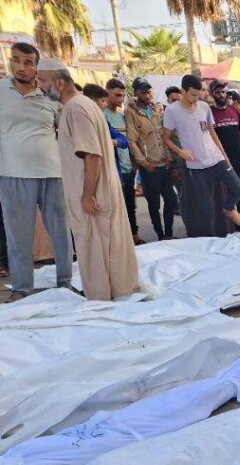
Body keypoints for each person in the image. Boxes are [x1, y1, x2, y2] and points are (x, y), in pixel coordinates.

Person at [43, 66, 139, 300]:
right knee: (109, 244)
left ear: (59, 83)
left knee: (93, 246)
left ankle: (100, 297)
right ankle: (119, 291)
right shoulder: (85, 104)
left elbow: (92, 155)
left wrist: (87, 195)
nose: (40, 86)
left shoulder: (75, 108)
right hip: (102, 188)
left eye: (42, 81)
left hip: (92, 193)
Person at [0, 42, 72, 298]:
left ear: (37, 66)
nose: (21, 67)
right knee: (18, 235)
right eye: (16, 60)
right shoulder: (1, 90)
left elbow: (66, 129)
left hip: (53, 172)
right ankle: (21, 288)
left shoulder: (49, 94)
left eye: (28, 62)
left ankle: (65, 281)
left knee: (61, 231)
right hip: (13, 173)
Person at [161, 74, 240, 236]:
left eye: (198, 94)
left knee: (238, 188)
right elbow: (165, 138)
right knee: (205, 209)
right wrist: (181, 152)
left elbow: (212, 132)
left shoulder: (204, 107)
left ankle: (228, 209)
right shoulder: (172, 111)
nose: (196, 98)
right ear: (183, 91)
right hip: (197, 166)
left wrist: (225, 157)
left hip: (216, 159)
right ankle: (209, 241)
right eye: (193, 94)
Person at [126, 77, 179, 241]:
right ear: (136, 93)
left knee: (171, 200)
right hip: (149, 166)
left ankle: (168, 233)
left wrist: (168, 157)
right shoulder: (131, 112)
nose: (147, 95)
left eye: (149, 92)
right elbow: (132, 141)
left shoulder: (155, 110)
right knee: (154, 204)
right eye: (143, 92)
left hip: (163, 163)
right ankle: (160, 235)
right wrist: (144, 162)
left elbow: (162, 136)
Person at [209, 81, 240, 230]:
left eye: (223, 92)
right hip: (220, 161)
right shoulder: (209, 113)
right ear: (212, 94)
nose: (221, 95)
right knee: (224, 195)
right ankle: (226, 229)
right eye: (217, 92)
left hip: (239, 158)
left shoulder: (234, 111)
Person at [102, 78, 141, 245]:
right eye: (117, 95)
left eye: (123, 96)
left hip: (129, 168)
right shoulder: (102, 115)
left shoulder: (122, 116)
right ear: (107, 93)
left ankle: (134, 236)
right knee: (117, 208)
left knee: (130, 205)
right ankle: (120, 241)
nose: (121, 99)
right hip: (114, 169)